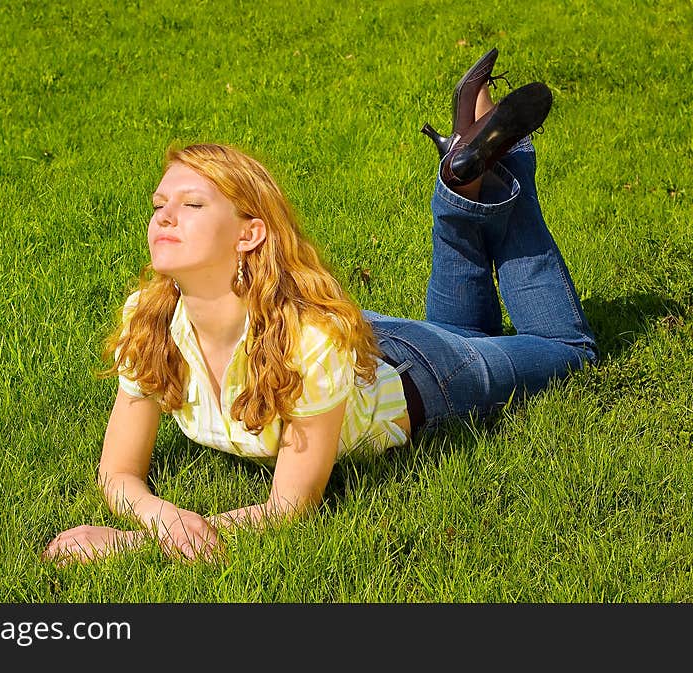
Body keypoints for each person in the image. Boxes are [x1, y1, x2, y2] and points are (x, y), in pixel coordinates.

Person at [42, 48, 598, 565]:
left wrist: (134, 544)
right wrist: (160, 516)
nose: (164, 216)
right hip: (359, 353)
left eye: (191, 204)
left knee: (567, 350)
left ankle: (511, 160)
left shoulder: (307, 341)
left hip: (425, 377)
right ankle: (465, 170)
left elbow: (290, 507)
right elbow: (117, 471)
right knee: (458, 327)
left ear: (250, 235)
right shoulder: (150, 318)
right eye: (160, 203)